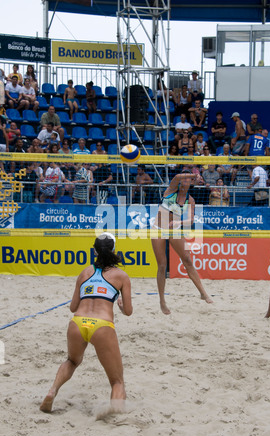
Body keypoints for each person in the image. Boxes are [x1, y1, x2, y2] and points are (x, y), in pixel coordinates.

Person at [40, 232, 133, 414]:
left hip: (77, 323)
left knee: (72, 361)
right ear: (114, 250)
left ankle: (52, 391)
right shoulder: (121, 275)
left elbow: (73, 306)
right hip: (102, 326)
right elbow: (128, 312)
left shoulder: (85, 272)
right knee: (117, 381)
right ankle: (115, 415)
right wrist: (120, 306)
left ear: (94, 251)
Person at [151, 169, 213, 315]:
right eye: (184, 178)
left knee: (187, 260)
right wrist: (194, 175)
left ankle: (203, 293)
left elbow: (191, 220)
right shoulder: (171, 189)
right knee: (162, 265)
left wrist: (179, 223)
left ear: (191, 183)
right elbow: (178, 176)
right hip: (159, 228)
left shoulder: (190, 200)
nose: (185, 181)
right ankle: (162, 301)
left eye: (188, 180)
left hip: (174, 229)